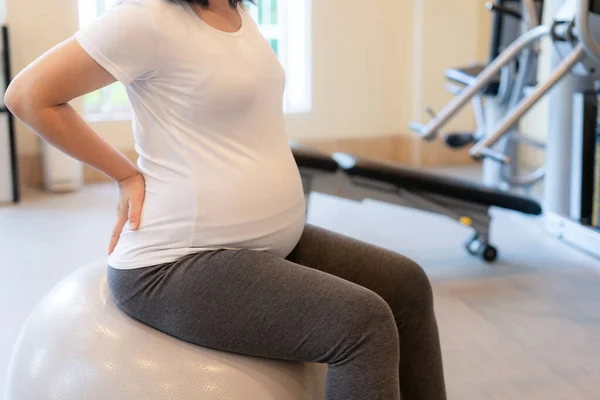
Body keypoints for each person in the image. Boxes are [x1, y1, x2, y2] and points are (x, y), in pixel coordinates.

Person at [5, 0, 447, 398]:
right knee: (361, 325)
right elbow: (28, 96)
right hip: (177, 263)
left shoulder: (237, 11)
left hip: (263, 245)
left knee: (405, 283)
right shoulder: (146, 18)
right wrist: (123, 174)